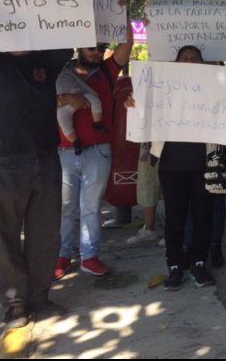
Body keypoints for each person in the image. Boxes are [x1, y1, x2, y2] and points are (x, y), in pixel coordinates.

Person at [125, 45, 226, 290]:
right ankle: (175, 266)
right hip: (170, 166)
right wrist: (133, 106)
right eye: (185, 58)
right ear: (176, 62)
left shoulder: (215, 90)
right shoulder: (160, 89)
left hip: (204, 164)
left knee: (202, 217)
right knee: (175, 219)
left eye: (195, 58)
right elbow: (142, 116)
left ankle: (199, 263)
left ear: (202, 63)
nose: (190, 61)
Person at [0, 48, 73, 328]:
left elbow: (70, 34)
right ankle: (14, 305)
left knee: (45, 232)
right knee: (7, 232)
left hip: (46, 155)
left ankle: (38, 299)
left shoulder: (46, 58)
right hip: (8, 157)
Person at [54, 30, 134, 280]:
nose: (96, 52)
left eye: (101, 48)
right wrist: (66, 98)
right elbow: (39, 99)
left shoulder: (108, 71)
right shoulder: (58, 70)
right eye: (92, 47)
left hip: (99, 151)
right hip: (65, 151)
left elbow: (127, 43)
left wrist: (123, 10)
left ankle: (89, 257)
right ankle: (63, 255)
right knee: (66, 207)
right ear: (80, 47)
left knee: (90, 208)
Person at [55, 65, 108, 155]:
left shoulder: (69, 70)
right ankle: (76, 142)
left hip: (80, 94)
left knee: (95, 101)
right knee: (63, 121)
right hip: (62, 104)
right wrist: (67, 99)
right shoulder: (47, 74)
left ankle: (97, 122)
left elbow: (81, 80)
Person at [126, 142, 164, 246]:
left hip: (169, 140)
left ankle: (171, 231)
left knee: (170, 185)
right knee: (147, 184)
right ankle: (149, 228)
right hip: (150, 143)